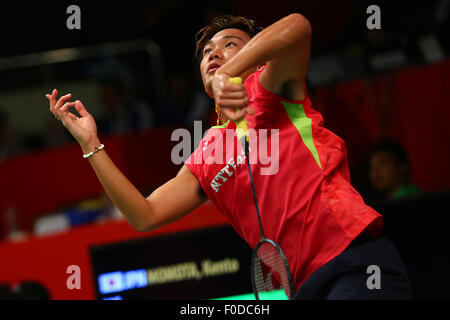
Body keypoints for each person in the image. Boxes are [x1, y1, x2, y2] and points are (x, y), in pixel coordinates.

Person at [45, 13, 412, 299]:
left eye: (230, 45)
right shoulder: (207, 153)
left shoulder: (274, 89)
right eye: (207, 53)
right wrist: (91, 145)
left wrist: (231, 75)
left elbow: (298, 27)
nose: (215, 54)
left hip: (352, 261)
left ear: (258, 59)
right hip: (304, 287)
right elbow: (145, 215)